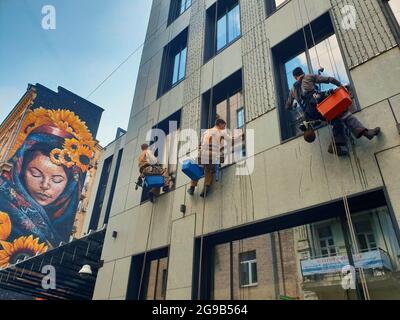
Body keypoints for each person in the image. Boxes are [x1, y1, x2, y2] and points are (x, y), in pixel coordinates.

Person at [0, 108, 95, 266]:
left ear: (70, 186)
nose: (45, 186)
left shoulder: (60, 220)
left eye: (57, 179)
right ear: (20, 169)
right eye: (36, 174)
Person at [286, 67, 380, 156]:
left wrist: (293, 106)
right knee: (342, 112)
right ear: (302, 72)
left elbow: (288, 106)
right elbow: (329, 79)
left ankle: (335, 146)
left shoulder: (292, 90)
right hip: (318, 106)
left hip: (311, 115)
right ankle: (365, 133)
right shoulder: (308, 77)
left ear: (295, 77)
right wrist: (341, 87)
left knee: (336, 120)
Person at [187, 119, 232, 198]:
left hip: (203, 152)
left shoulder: (206, 132)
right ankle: (206, 187)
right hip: (213, 153)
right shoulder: (221, 132)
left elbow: (201, 143)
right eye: (223, 126)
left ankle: (192, 187)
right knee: (209, 170)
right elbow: (230, 140)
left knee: (197, 168)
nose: (224, 128)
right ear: (220, 124)